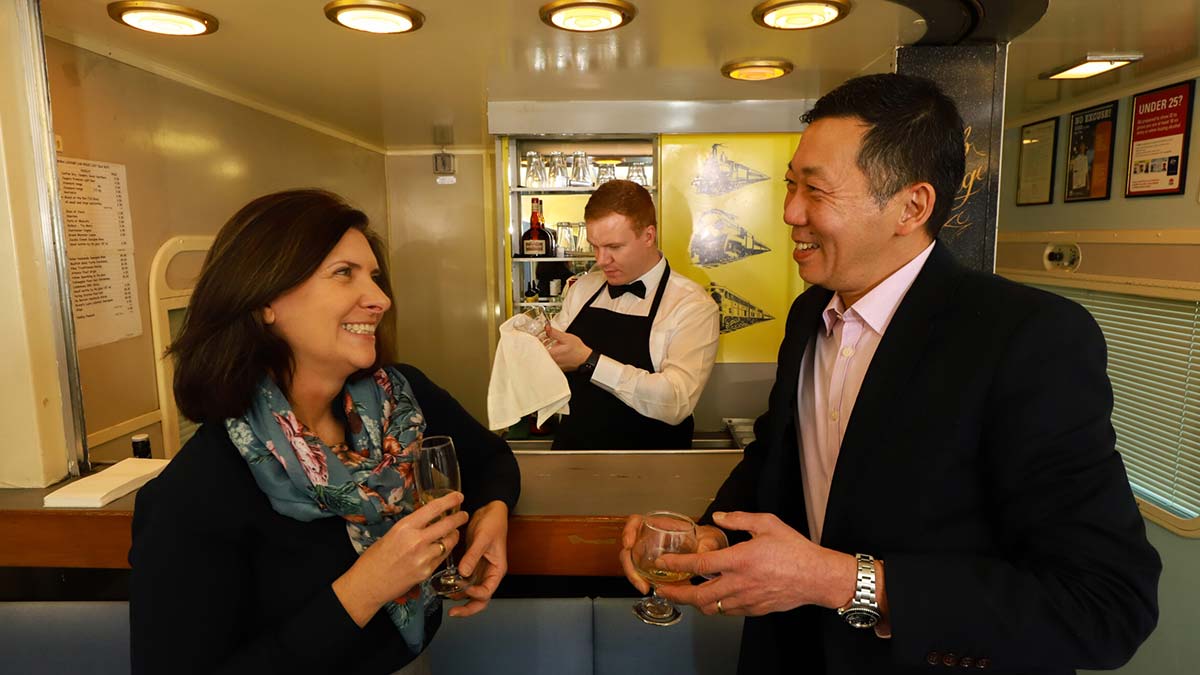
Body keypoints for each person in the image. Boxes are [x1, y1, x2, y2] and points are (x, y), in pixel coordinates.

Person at [619, 74, 1160, 673]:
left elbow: (1106, 607)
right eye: (790, 185)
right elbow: (779, 455)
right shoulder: (808, 315)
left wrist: (846, 583)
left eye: (816, 191)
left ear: (912, 205)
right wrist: (715, 536)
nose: (789, 212)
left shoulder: (1029, 338)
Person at [130, 189, 520, 675]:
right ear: (264, 301)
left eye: (374, 277)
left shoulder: (402, 398)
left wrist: (493, 511)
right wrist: (366, 587)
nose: (380, 299)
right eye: (343, 274)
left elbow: (492, 459)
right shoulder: (200, 490)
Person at [544, 179, 720, 449]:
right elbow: (552, 360)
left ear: (648, 236)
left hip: (652, 468)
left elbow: (676, 401)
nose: (601, 261)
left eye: (614, 247)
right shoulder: (583, 289)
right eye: (595, 246)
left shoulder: (692, 305)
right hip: (573, 457)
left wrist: (590, 361)